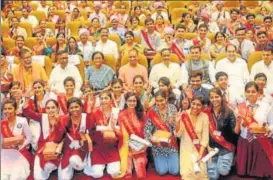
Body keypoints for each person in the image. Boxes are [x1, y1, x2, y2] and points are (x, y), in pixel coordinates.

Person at [236, 82, 273, 178]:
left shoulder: (266, 107)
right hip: (245, 140)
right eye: (248, 92)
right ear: (245, 93)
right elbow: (239, 127)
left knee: (262, 173)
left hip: (261, 140)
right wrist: (242, 124)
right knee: (242, 174)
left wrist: (269, 128)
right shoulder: (240, 107)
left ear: (258, 93)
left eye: (253, 91)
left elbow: (272, 122)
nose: (251, 94)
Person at [23, 99, 65, 180]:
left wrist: (58, 122)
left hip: (58, 149)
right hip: (43, 149)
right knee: (38, 177)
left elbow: (64, 136)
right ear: (45, 109)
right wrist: (27, 98)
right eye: (48, 108)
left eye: (53, 107)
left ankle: (55, 166)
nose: (51, 110)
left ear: (58, 108)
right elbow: (27, 112)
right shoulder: (42, 117)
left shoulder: (63, 119)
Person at [204, 88, 240, 180]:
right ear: (209, 99)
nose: (214, 99)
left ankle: (227, 161)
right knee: (212, 176)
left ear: (221, 97)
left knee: (223, 171)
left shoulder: (229, 112)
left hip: (226, 147)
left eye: (217, 97)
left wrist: (238, 122)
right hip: (212, 148)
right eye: (212, 97)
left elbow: (235, 133)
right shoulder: (206, 112)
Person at [84, 91, 121, 178]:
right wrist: (89, 108)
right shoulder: (94, 112)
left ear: (111, 100)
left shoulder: (116, 112)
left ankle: (106, 166)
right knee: (97, 175)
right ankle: (96, 163)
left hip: (111, 146)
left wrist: (114, 129)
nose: (103, 100)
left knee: (114, 172)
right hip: (98, 147)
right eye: (101, 98)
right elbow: (89, 128)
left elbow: (121, 130)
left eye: (106, 98)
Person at [144, 90, 179, 176]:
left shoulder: (172, 108)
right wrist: (151, 138)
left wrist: (174, 123)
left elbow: (176, 130)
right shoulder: (152, 111)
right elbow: (147, 130)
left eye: (161, 100)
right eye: (157, 101)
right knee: (162, 172)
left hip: (171, 145)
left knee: (175, 172)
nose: (159, 103)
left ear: (166, 99)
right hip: (158, 146)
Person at [59, 97, 94, 180]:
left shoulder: (86, 117)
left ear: (81, 107)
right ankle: (70, 168)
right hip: (68, 148)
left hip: (81, 148)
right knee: (63, 178)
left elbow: (91, 128)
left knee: (75, 160)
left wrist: (89, 109)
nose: (74, 109)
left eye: (76, 107)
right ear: (68, 109)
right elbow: (60, 135)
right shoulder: (64, 119)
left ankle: (78, 167)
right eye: (71, 107)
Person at [175, 95, 209, 180]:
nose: (195, 107)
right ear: (191, 103)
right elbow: (178, 134)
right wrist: (177, 122)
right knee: (187, 175)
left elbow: (205, 138)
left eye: (198, 105)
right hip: (186, 149)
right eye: (193, 103)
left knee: (202, 176)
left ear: (202, 106)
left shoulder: (205, 117)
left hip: (199, 149)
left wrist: (200, 154)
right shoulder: (184, 114)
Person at [116, 92, 148, 178]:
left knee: (141, 175)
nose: (132, 103)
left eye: (134, 101)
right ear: (126, 102)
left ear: (137, 102)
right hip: (126, 145)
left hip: (140, 145)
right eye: (130, 101)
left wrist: (144, 143)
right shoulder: (121, 115)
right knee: (127, 175)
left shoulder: (142, 114)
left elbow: (146, 131)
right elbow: (122, 134)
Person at [1, 99, 33, 180]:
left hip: (19, 152)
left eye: (10, 108)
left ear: (15, 109)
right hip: (5, 152)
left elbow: (29, 137)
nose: (7, 111)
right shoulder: (2, 123)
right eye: (5, 109)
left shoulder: (22, 121)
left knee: (16, 176)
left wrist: (21, 146)